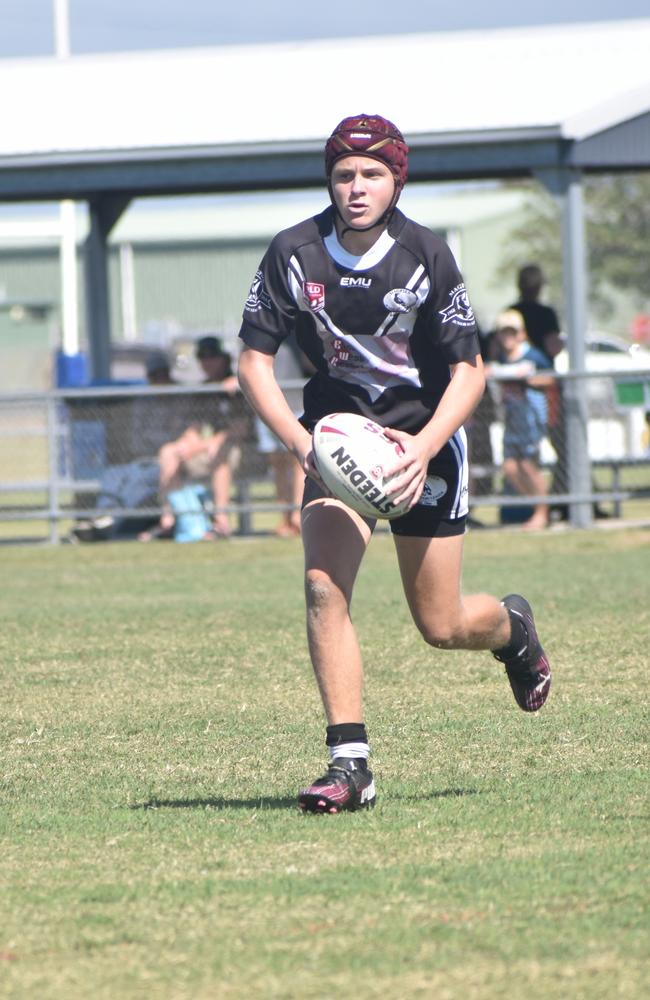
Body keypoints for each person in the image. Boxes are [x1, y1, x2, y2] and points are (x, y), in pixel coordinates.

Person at [237, 114, 552, 814]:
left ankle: (513, 629)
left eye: (372, 174)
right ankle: (350, 764)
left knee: (441, 625)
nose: (356, 187)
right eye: (344, 174)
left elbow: (470, 371)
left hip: (423, 443)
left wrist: (426, 446)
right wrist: (300, 442)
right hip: (335, 443)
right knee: (324, 588)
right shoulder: (293, 253)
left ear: (396, 179)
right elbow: (253, 361)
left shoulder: (426, 255)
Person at [139, 336, 248, 541]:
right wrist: (185, 443)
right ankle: (170, 520)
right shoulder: (204, 389)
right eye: (203, 357)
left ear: (223, 359)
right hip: (208, 449)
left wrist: (204, 445)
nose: (208, 362)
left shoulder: (236, 386)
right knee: (169, 452)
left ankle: (220, 521)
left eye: (212, 357)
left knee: (221, 452)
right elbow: (195, 427)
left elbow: (240, 430)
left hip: (242, 452)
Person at [487, 310, 554, 531]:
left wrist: (529, 379)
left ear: (521, 334)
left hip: (530, 420)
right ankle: (539, 505)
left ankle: (542, 512)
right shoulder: (502, 358)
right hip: (512, 420)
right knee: (510, 467)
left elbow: (550, 378)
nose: (507, 337)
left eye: (511, 332)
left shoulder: (532, 355)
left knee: (528, 465)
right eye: (503, 332)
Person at [509, 265, 567, 515]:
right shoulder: (545, 313)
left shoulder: (512, 312)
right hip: (542, 392)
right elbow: (554, 347)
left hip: (519, 392)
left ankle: (548, 505)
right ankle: (552, 504)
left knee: (524, 457)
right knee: (558, 447)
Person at [255, 333, 311, 537]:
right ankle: (285, 517)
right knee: (277, 463)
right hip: (268, 407)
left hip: (295, 404)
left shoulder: (299, 329)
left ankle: (297, 515)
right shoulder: (259, 327)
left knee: (299, 461)